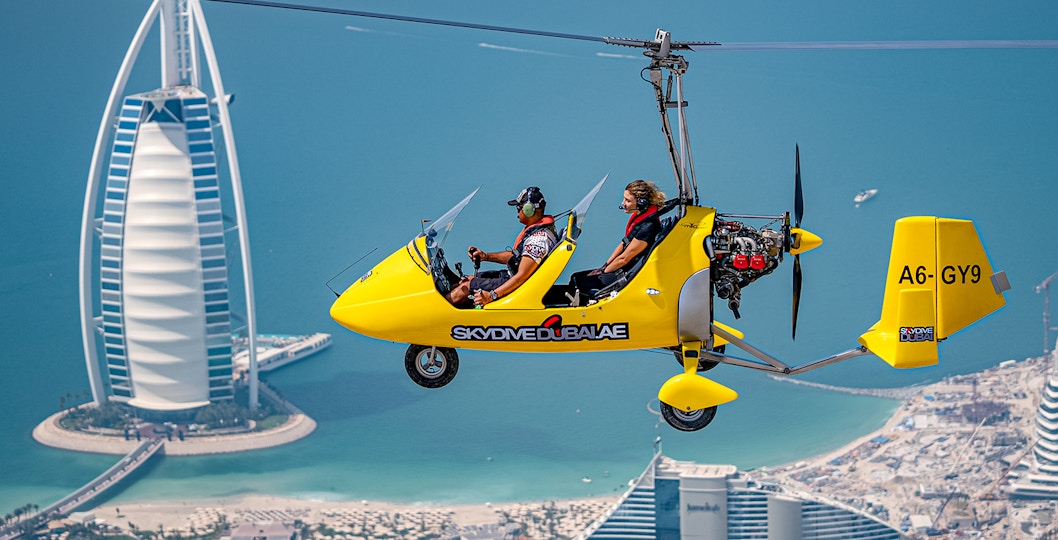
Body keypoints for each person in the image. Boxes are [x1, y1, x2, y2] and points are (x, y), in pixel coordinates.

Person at [445, 186, 559, 308]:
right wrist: (486, 256)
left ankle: (432, 317)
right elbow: (517, 256)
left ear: (528, 210)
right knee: (466, 280)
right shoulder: (537, 232)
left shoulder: (538, 240)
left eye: (519, 208)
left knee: (465, 288)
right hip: (510, 275)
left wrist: (492, 295)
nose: (517, 211)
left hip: (517, 283)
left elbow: (521, 277)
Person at [572, 179, 666, 295]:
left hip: (627, 274)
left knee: (579, 282)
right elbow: (623, 243)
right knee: (576, 278)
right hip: (622, 269)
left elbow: (624, 259)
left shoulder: (648, 227)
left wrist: (604, 273)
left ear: (641, 203)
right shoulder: (639, 218)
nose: (623, 203)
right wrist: (604, 267)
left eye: (627, 200)